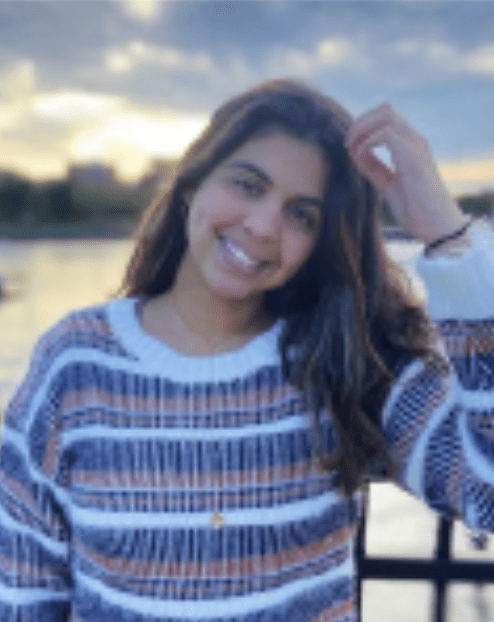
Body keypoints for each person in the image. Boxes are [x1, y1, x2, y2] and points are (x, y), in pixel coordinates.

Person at [1, 78, 493, 622]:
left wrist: (448, 236)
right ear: (191, 182)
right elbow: (20, 588)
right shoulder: (74, 361)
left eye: (301, 215)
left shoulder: (346, 361)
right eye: (247, 185)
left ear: (320, 241)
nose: (262, 226)